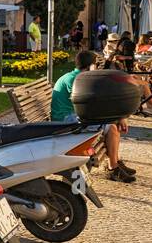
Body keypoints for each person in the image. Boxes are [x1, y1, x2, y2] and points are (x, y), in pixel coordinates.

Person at [52, 49, 135, 183]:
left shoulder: (78, 76)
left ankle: (116, 162)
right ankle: (113, 168)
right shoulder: (76, 79)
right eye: (96, 64)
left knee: (113, 125)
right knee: (112, 128)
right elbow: (91, 104)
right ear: (91, 65)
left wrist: (119, 117)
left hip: (72, 116)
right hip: (66, 121)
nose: (97, 67)